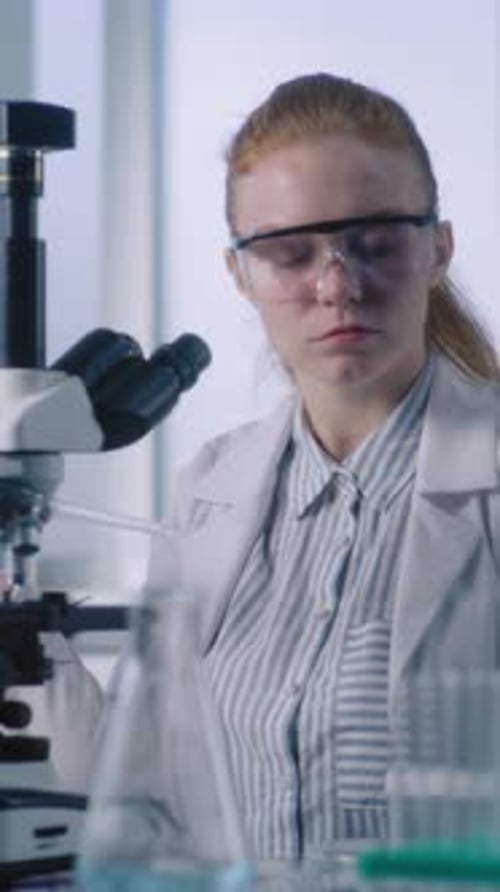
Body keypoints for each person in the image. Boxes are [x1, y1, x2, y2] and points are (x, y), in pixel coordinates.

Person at [51, 72, 500, 864]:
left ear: (438, 246)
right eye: (290, 254)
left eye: (376, 241)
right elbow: (145, 797)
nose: (337, 286)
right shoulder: (209, 491)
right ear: (240, 275)